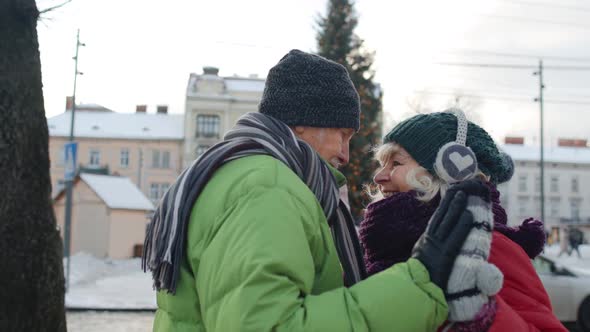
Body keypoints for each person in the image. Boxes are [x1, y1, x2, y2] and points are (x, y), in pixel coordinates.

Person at [142, 50, 477, 331]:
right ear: (303, 120)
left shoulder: (239, 173)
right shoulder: (268, 186)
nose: (346, 154)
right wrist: (416, 284)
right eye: (343, 134)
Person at [359, 110, 567, 331]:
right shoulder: (378, 250)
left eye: (396, 164)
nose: (379, 176)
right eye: (382, 165)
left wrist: (482, 318)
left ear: (451, 171)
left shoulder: (487, 247)